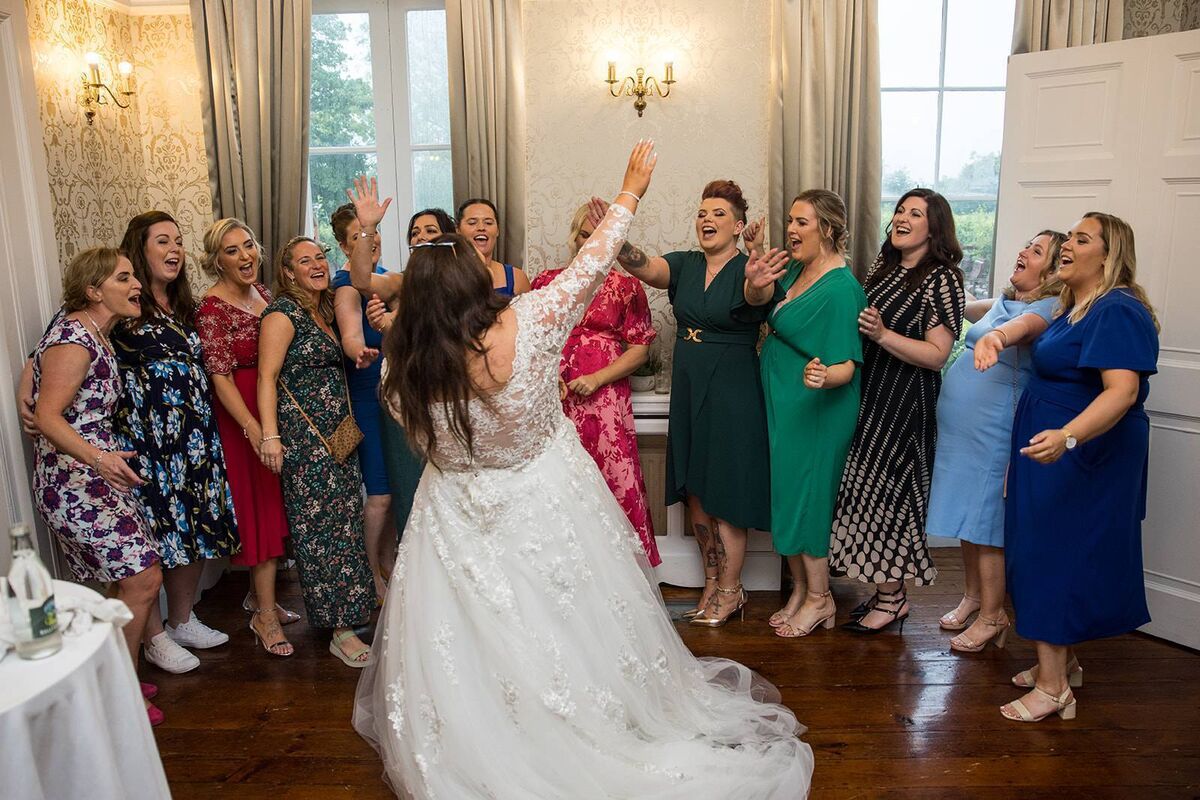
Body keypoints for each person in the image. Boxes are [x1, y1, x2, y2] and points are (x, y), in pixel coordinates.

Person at [352, 140, 813, 798]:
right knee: (564, 622)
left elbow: (426, 440)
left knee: (471, 631)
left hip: (452, 516)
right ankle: (577, 722)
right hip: (544, 498)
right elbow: (593, 262)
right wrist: (630, 190)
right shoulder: (531, 320)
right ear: (470, 284)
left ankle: (486, 735)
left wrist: (366, 238)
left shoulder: (402, 370)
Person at [1000, 213, 1158, 723]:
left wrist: (1068, 437)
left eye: (1081, 239)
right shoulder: (1075, 307)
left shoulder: (1117, 309)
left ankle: (1053, 690)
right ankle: (1062, 665)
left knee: (1050, 556)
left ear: (1109, 257)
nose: (1067, 244)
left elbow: (1122, 392)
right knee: (1045, 550)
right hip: (1054, 448)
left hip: (1081, 455)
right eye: (1068, 237)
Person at [613, 179, 774, 625]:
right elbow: (645, 268)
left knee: (727, 487)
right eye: (702, 212)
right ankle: (711, 581)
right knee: (697, 488)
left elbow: (758, 296)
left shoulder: (749, 267)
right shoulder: (685, 264)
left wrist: (756, 275)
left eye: (719, 213)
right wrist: (614, 232)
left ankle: (732, 590)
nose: (707, 219)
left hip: (733, 385)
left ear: (738, 226)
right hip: (689, 380)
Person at [30, 247, 165, 724]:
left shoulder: (93, 332)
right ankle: (121, 696)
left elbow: (36, 373)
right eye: (123, 278)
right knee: (143, 577)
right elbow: (47, 416)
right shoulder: (74, 339)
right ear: (93, 290)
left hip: (99, 476)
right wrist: (100, 459)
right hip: (74, 481)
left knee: (130, 579)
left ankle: (112, 675)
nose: (136, 285)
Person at [829, 188, 965, 633]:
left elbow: (937, 355)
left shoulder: (943, 278)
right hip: (871, 393)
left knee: (892, 498)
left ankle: (893, 599)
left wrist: (884, 335)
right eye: (901, 210)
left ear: (935, 227)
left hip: (907, 402)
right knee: (866, 492)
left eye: (916, 213)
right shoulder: (884, 267)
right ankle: (885, 592)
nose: (903, 218)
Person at [925, 231, 1065, 653]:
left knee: (986, 524)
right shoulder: (1005, 302)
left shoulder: (1048, 307)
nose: (1023, 252)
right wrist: (939, 275)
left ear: (1053, 271)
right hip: (963, 433)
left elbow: (1021, 329)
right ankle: (973, 597)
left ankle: (993, 615)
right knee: (968, 519)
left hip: (995, 431)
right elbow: (961, 305)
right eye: (1026, 245)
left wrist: (996, 338)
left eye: (1036, 251)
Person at [113, 211, 239, 672]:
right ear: (139, 249)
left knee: (193, 531)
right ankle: (154, 638)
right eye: (163, 241)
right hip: (147, 445)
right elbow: (61, 342)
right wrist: (28, 389)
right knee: (155, 538)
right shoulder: (123, 302)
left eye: (179, 241)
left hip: (194, 441)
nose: (175, 250)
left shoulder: (185, 308)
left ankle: (183, 620)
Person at [747, 190, 866, 638]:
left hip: (818, 408)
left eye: (802, 222)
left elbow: (847, 365)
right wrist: (755, 252)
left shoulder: (842, 290)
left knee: (809, 499)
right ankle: (800, 590)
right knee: (788, 495)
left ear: (827, 229)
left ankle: (820, 598)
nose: (792, 229)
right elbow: (770, 300)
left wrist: (823, 377)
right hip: (786, 400)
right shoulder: (799, 268)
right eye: (791, 220)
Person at [257, 236, 377, 667]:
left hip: (338, 437)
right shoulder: (282, 314)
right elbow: (267, 378)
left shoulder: (322, 312)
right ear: (288, 272)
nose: (316, 265)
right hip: (306, 442)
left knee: (345, 524)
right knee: (321, 533)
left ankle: (350, 617)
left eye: (320, 257)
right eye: (304, 261)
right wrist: (270, 436)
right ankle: (339, 631)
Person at [529, 202, 660, 565]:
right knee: (558, 480)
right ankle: (562, 566)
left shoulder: (627, 286)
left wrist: (597, 378)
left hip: (605, 400)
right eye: (585, 235)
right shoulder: (547, 282)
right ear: (575, 238)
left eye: (600, 236)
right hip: (554, 397)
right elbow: (531, 342)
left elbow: (640, 350)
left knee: (613, 477)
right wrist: (550, 377)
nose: (591, 243)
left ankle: (620, 568)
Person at [195, 218, 295, 657]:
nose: (245, 255)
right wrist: (255, 430)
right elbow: (219, 378)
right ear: (217, 261)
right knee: (258, 512)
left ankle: (260, 598)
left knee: (274, 505)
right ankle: (264, 617)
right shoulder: (211, 309)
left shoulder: (265, 295)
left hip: (270, 408)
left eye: (248, 245)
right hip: (241, 418)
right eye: (232, 250)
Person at [348, 204, 456, 537]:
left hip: (453, 401)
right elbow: (361, 279)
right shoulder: (402, 283)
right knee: (411, 492)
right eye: (415, 233)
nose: (421, 237)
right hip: (409, 404)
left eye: (430, 231)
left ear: (449, 238)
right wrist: (368, 228)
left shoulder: (463, 286)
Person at [330, 202, 395, 602]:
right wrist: (359, 351)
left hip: (397, 397)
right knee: (380, 494)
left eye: (371, 233)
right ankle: (369, 574)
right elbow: (351, 334)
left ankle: (388, 564)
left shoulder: (387, 278)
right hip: (367, 397)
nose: (369, 242)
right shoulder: (345, 285)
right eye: (358, 237)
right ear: (344, 246)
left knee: (396, 492)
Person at [457, 197, 531, 297]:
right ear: (458, 230)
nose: (481, 228)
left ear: (497, 231)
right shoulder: (446, 277)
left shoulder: (518, 278)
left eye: (488, 223)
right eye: (472, 223)